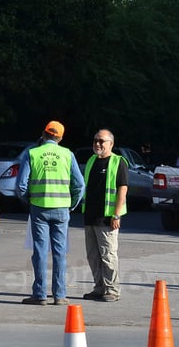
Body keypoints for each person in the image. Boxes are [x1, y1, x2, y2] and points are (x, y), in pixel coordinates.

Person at [17, 121, 85, 306]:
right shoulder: (67, 154)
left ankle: (40, 294)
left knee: (39, 251)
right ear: (60, 138)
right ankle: (60, 294)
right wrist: (71, 204)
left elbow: (21, 186)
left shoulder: (32, 153)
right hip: (62, 208)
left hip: (39, 207)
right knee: (60, 252)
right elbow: (80, 185)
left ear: (43, 134)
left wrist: (29, 200)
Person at [81, 129, 129, 302]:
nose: (98, 144)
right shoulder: (92, 160)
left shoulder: (118, 162)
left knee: (108, 255)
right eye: (95, 141)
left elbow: (122, 189)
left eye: (102, 141)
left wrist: (116, 215)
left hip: (107, 218)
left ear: (111, 144)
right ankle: (99, 287)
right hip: (90, 217)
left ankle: (112, 289)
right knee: (93, 256)